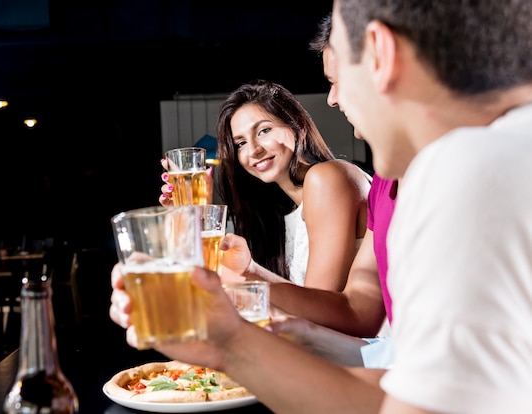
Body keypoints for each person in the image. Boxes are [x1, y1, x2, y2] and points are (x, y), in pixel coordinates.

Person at [112, 1, 532, 412]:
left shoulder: (472, 171)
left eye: (337, 78)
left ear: (380, 52)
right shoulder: (450, 167)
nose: (332, 100)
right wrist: (229, 338)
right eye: (240, 142)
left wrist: (236, 341)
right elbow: (415, 384)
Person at [162, 79, 371, 293]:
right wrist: (193, 218)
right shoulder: (277, 217)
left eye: (263, 131)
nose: (253, 150)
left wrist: (250, 272)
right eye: (241, 143)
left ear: (296, 123)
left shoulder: (327, 178)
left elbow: (322, 305)